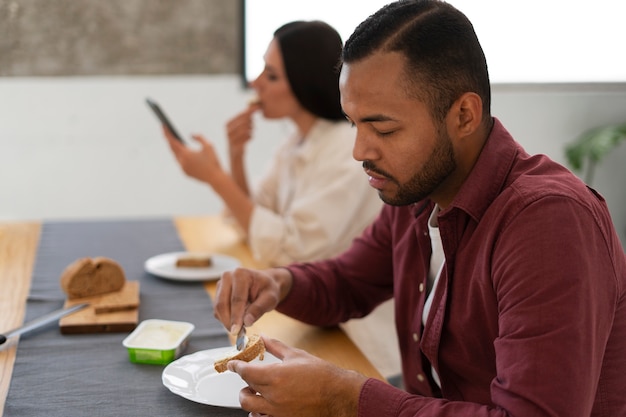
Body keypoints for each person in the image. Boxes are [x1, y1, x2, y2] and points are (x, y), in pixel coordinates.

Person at [214, 1, 626, 417]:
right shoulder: (418, 190)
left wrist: (344, 398)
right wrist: (278, 283)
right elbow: (349, 281)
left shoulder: (548, 222)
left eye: (384, 128)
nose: (360, 151)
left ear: (464, 115)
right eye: (354, 124)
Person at [163, 20, 382, 267]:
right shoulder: (297, 141)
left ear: (304, 84)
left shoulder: (346, 152)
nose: (256, 83)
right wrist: (236, 156)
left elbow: (292, 251)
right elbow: (253, 218)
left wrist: (216, 178)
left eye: (271, 75)